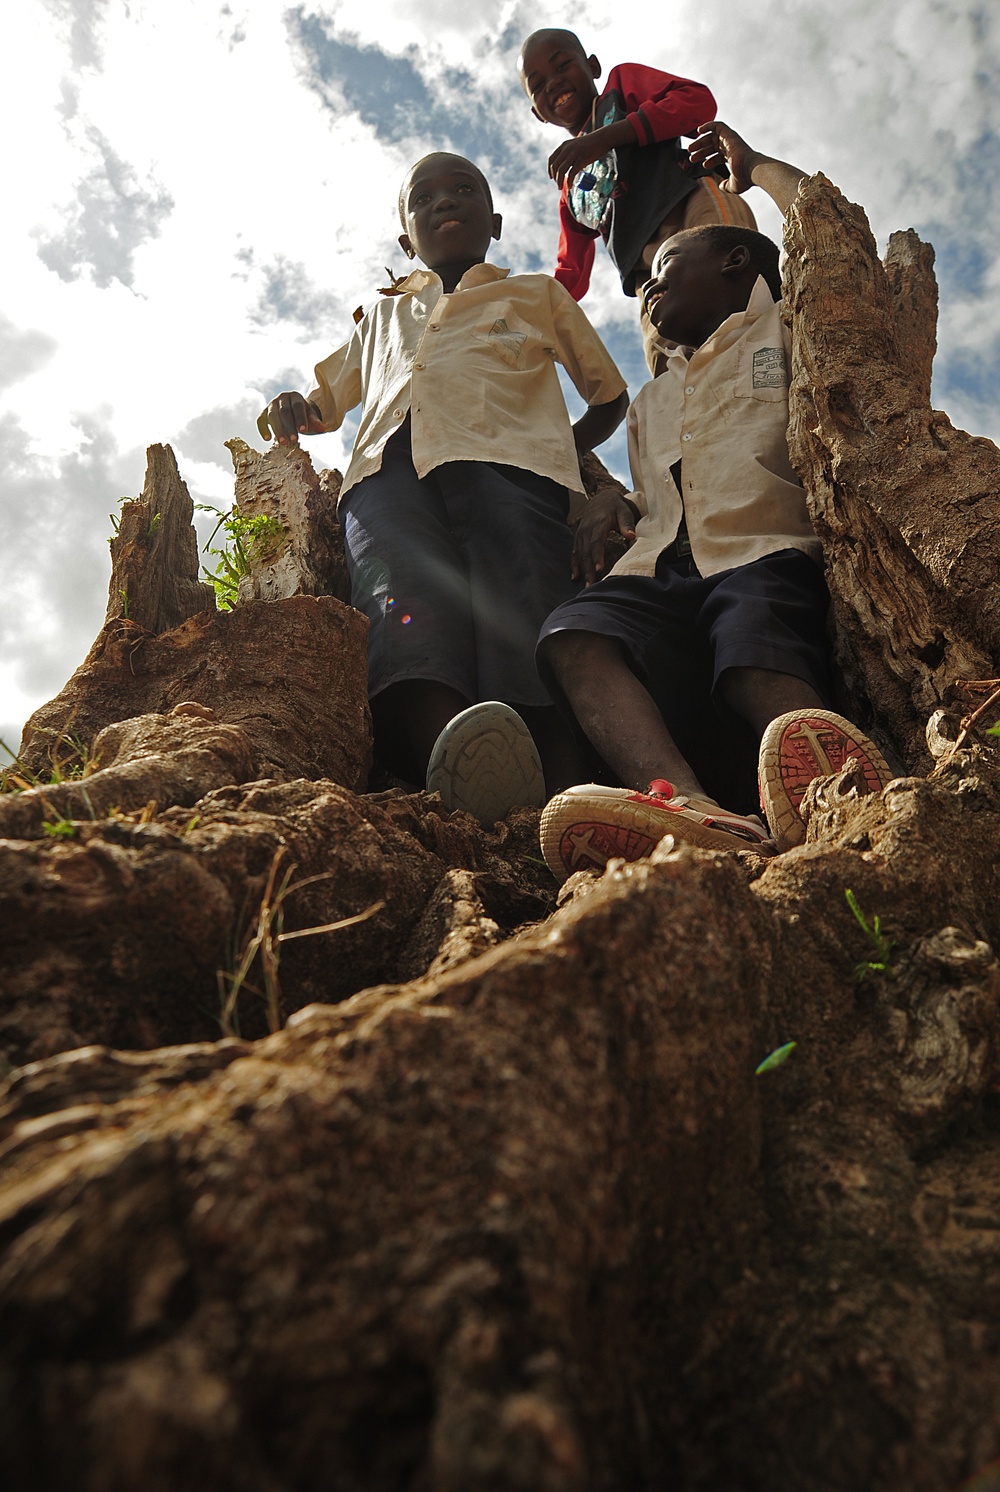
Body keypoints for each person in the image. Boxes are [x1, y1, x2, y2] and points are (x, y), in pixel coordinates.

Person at [535, 122, 892, 883]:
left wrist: (755, 167)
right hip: (665, 572)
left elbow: (824, 231)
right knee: (574, 636)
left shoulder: (783, 324)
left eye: (665, 266)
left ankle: (837, 798)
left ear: (733, 261)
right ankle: (688, 806)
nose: (648, 286)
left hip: (762, 551)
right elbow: (654, 489)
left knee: (751, 656)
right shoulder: (652, 398)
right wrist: (613, 502)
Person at [258, 152, 628, 827]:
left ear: (494, 220)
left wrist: (558, 451)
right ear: (406, 237)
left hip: (511, 469)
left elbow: (608, 396)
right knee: (404, 607)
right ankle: (455, 778)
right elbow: (327, 402)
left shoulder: (535, 295)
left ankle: (569, 799)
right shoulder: (380, 315)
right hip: (386, 478)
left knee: (526, 607)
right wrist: (296, 407)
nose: (444, 203)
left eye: (463, 190)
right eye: (422, 198)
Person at [517, 28, 758, 374]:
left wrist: (607, 137)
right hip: (650, 275)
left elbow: (696, 102)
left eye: (562, 66)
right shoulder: (572, 188)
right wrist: (525, 309)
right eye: (538, 85)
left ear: (593, 67)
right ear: (538, 113)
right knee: (669, 368)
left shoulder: (620, 89)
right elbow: (571, 273)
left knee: (731, 291)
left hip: (690, 205)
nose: (552, 83)